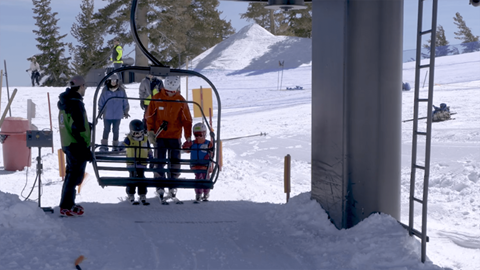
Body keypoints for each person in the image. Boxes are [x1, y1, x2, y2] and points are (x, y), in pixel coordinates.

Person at [145, 75, 192, 203]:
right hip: (159, 137)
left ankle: (173, 185)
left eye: (173, 92)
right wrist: (150, 131)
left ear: (176, 89)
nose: (170, 94)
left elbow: (187, 120)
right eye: (168, 91)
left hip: (175, 136)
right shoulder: (157, 98)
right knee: (159, 161)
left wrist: (188, 136)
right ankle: (160, 185)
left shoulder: (180, 101)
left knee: (175, 162)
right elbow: (149, 116)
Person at [57, 75, 92, 217]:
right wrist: (85, 147)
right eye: (85, 87)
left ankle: (68, 203)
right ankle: (65, 205)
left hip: (68, 142)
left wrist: (87, 126)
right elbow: (77, 127)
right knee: (74, 176)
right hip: (76, 144)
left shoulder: (66, 102)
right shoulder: (75, 103)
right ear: (81, 86)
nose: (85, 89)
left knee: (72, 174)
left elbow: (73, 123)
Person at [98, 73, 130, 152]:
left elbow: (125, 101)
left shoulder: (121, 91)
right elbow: (101, 101)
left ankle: (115, 146)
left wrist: (125, 111)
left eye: (114, 80)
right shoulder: (105, 90)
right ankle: (104, 145)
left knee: (116, 130)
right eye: (111, 81)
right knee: (106, 129)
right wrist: (100, 111)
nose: (113, 82)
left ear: (117, 81)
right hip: (107, 114)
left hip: (117, 114)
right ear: (109, 81)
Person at [123, 119, 152, 205]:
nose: (138, 135)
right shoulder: (129, 139)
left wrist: (151, 157)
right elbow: (123, 145)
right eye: (135, 133)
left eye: (139, 133)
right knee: (132, 178)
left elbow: (149, 150)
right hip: (132, 164)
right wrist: (120, 147)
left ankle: (142, 194)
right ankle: (131, 194)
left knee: (142, 179)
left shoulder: (145, 140)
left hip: (142, 164)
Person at [183, 122, 214, 202]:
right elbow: (186, 150)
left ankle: (206, 193)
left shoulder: (207, 143)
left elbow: (212, 152)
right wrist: (186, 144)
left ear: (204, 134)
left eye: (200, 135)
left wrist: (210, 154)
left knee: (206, 178)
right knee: (198, 178)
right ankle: (198, 194)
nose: (198, 137)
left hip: (205, 166)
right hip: (196, 165)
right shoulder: (193, 144)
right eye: (196, 135)